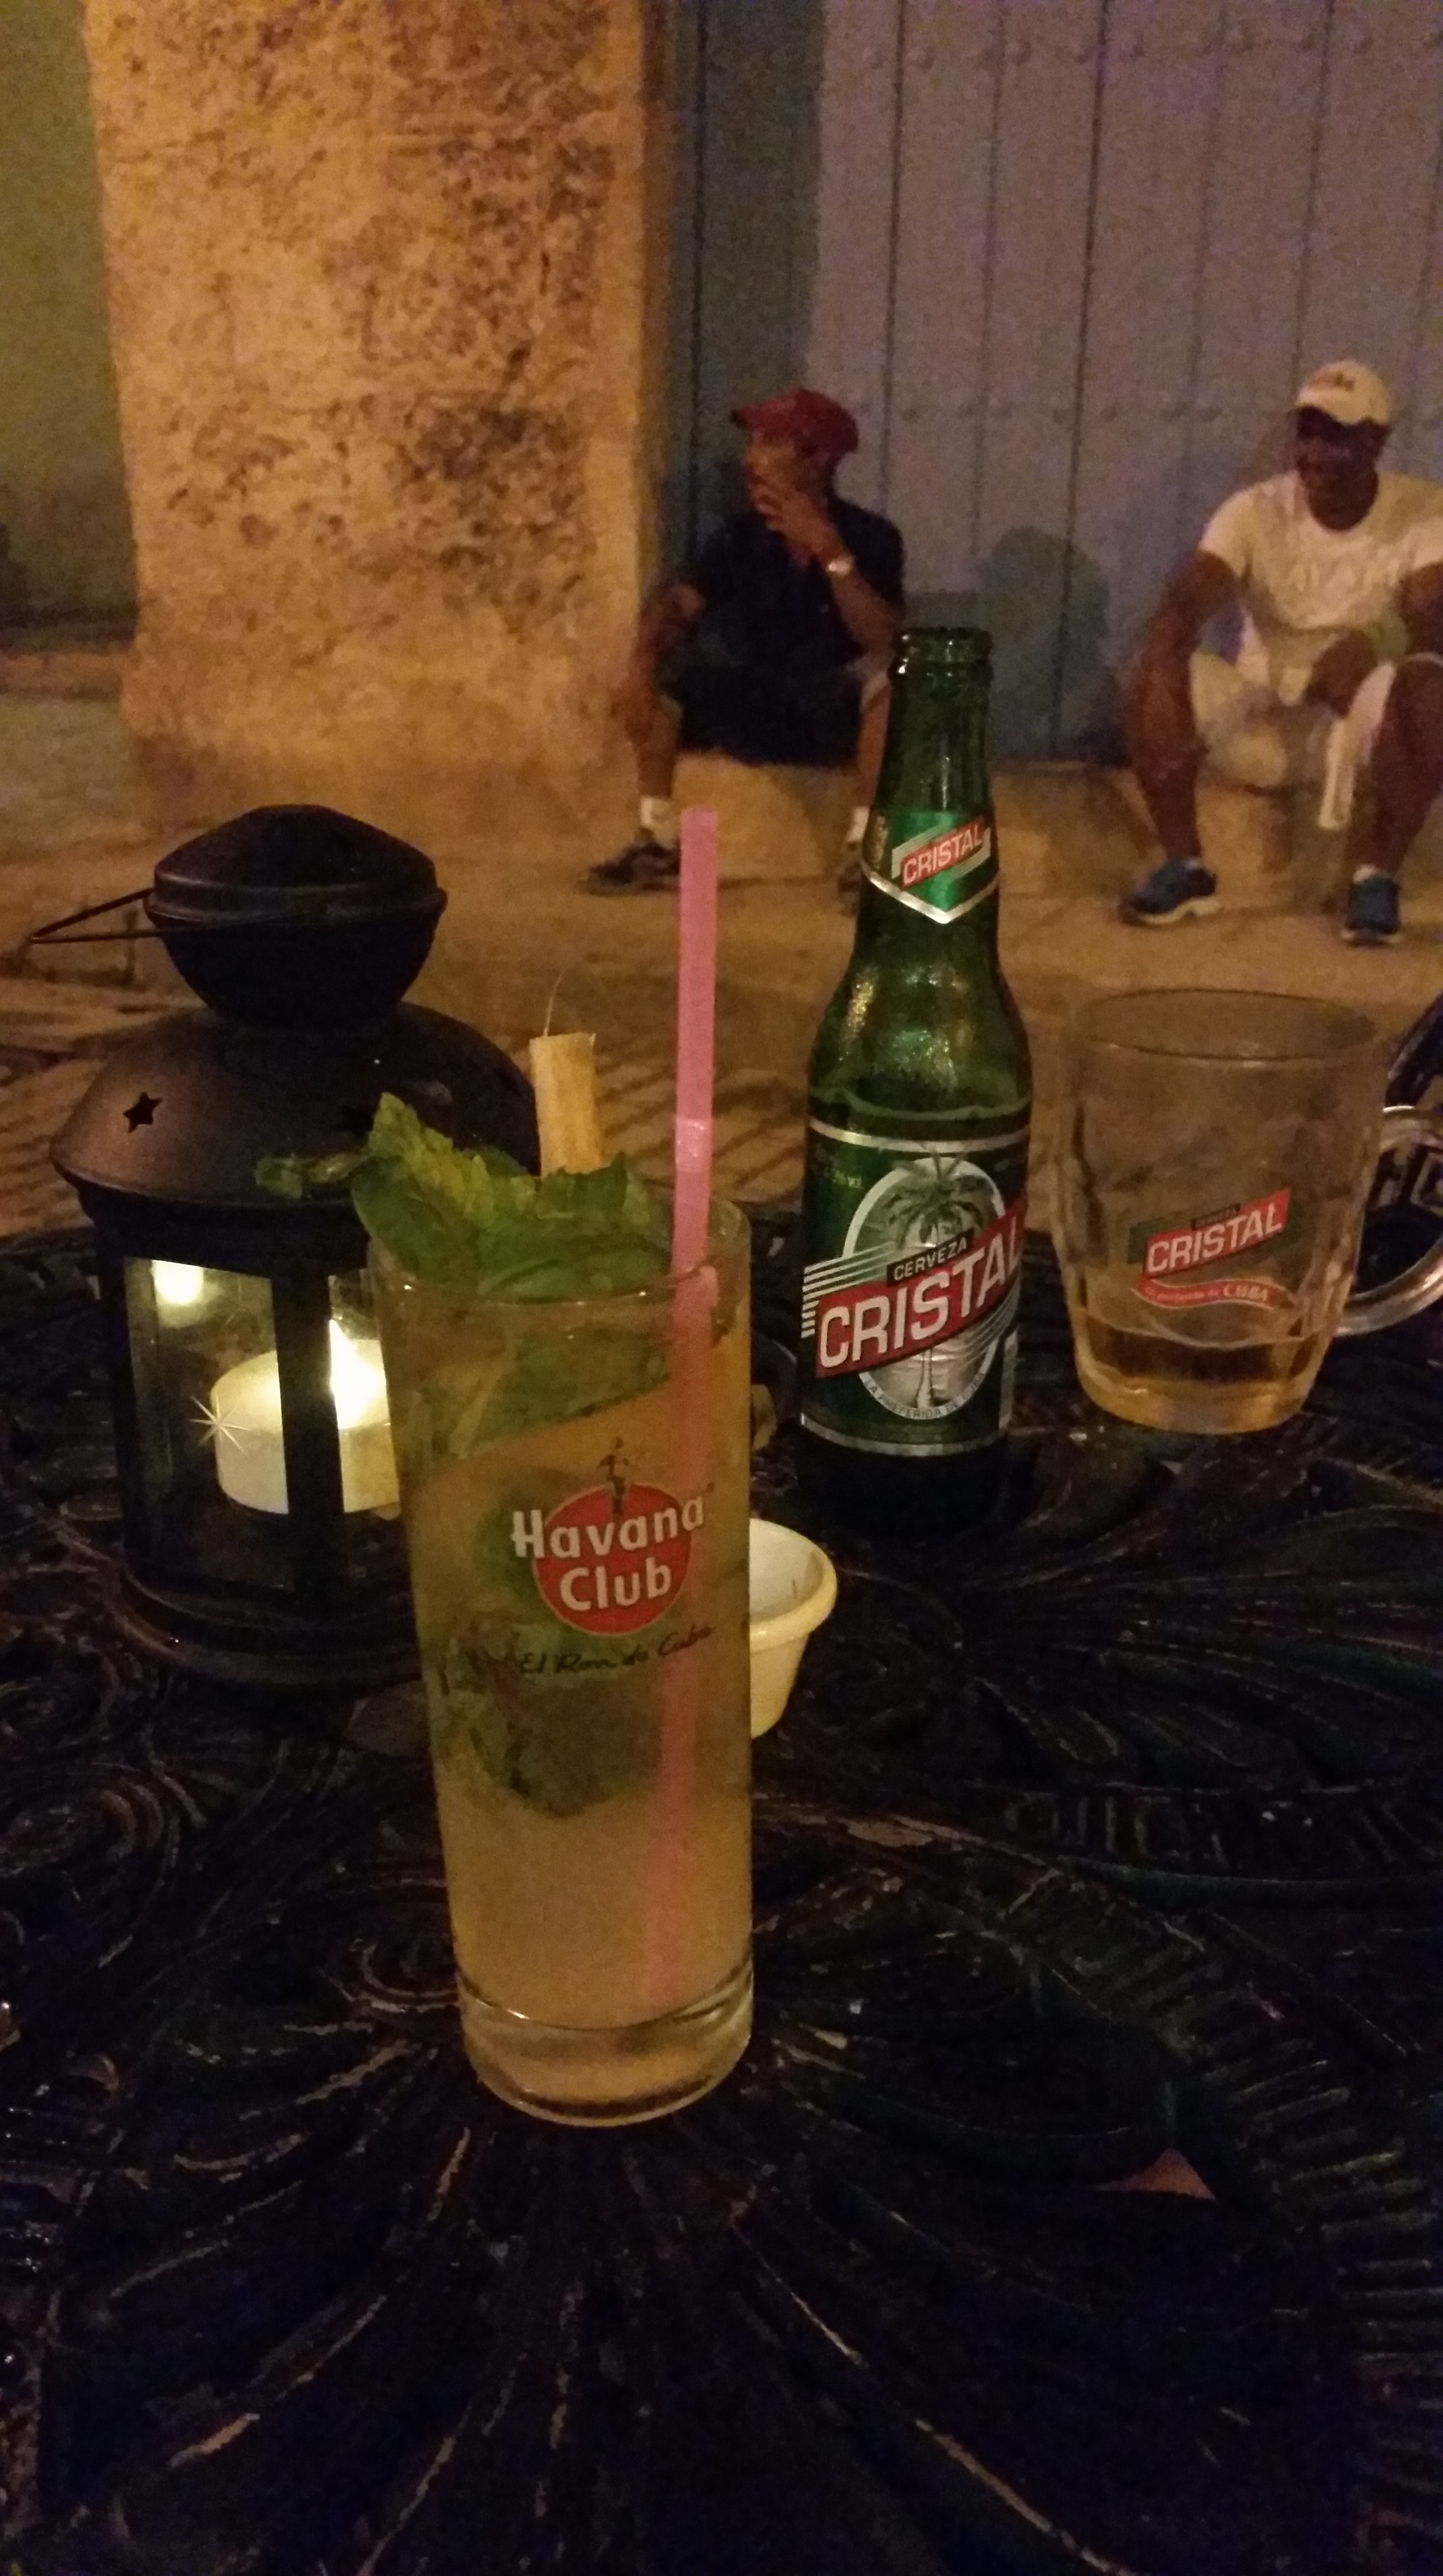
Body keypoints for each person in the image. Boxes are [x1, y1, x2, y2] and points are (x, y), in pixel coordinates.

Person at [1121, 360, 1443, 946]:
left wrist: (1373, 645)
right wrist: (1173, 634)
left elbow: (1434, 614)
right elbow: (1192, 594)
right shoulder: (1255, 509)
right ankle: (1186, 867)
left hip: (1360, 730)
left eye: (1336, 436)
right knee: (1159, 653)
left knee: (1428, 683)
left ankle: (1378, 878)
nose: (1315, 452)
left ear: (1377, 440)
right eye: (1307, 433)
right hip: (1263, 715)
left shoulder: (1423, 510)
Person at [585, 387, 905, 896]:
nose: (750, 459)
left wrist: (829, 551)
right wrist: (641, 663)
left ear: (818, 459)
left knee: (893, 681)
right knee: (666, 666)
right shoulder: (738, 537)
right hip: (759, 700)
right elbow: (678, 604)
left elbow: (883, 638)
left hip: (832, 709)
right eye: (752, 442)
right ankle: (656, 840)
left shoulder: (871, 537)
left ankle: (866, 850)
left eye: (770, 443)